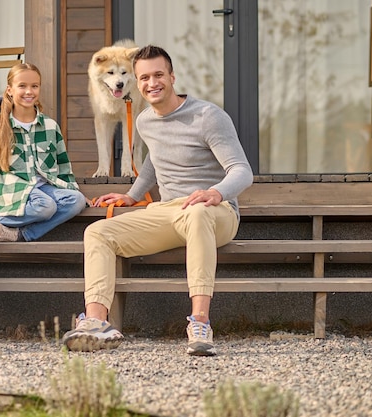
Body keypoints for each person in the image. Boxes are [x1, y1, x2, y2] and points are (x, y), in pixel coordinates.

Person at [62, 45, 254, 356]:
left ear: (172, 76)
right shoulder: (145, 121)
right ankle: (97, 323)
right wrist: (132, 195)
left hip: (216, 213)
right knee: (98, 232)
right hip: (169, 212)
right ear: (137, 83)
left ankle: (200, 322)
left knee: (198, 213)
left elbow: (242, 171)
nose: (152, 83)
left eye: (158, 75)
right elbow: (154, 160)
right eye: (144, 78)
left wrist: (214, 192)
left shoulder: (208, 116)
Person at [0, 62, 86, 243]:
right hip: (14, 189)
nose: (29, 91)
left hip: (44, 187)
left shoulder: (50, 126)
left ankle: (22, 234)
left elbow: (63, 164)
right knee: (45, 206)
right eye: (22, 86)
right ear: (10, 90)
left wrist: (71, 188)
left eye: (34, 86)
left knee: (77, 201)